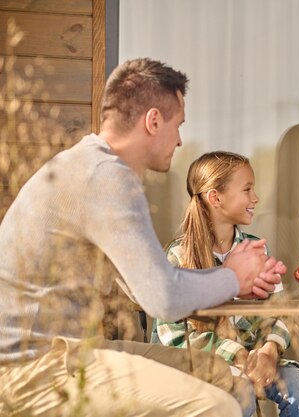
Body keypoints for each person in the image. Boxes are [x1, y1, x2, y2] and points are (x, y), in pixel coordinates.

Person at [0, 58, 284, 417]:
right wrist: (232, 275)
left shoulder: (95, 167)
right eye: (178, 125)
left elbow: (144, 287)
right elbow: (163, 299)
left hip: (71, 351)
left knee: (224, 377)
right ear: (153, 121)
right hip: (33, 370)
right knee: (217, 407)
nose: (181, 140)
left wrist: (234, 283)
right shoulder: (104, 177)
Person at [153, 151, 299, 417]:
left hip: (259, 360)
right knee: (241, 394)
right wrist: (239, 355)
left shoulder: (255, 249)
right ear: (215, 198)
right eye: (247, 189)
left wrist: (270, 350)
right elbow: (175, 336)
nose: (256, 198)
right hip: (204, 368)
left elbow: (281, 311)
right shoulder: (179, 256)